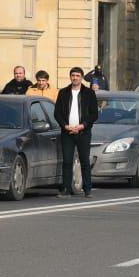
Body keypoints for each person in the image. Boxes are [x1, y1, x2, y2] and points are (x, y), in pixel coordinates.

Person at [53, 67, 98, 199]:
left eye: (78, 76)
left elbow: (94, 114)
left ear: (82, 77)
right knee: (67, 161)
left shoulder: (89, 93)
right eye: (73, 75)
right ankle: (66, 189)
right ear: (70, 77)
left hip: (83, 132)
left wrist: (83, 125)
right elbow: (57, 113)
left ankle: (87, 189)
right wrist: (65, 126)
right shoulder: (63, 92)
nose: (75, 78)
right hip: (67, 132)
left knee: (84, 161)